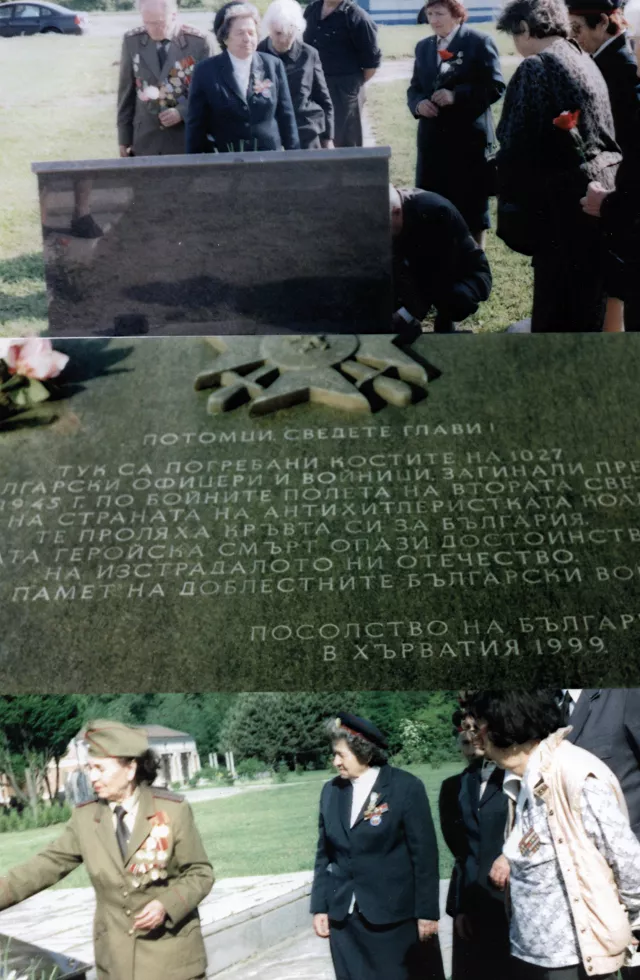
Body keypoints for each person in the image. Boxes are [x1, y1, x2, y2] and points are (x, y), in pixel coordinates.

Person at [0, 720, 214, 980]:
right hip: (116, 961)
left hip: (172, 959)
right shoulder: (86, 818)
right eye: (90, 768)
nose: (92, 777)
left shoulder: (171, 810)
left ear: (130, 768)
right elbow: (44, 866)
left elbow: (200, 873)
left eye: (100, 768)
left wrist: (166, 905)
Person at [471, 691, 640, 980]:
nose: (473, 736)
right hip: (535, 955)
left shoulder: (573, 774)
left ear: (505, 724)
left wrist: (633, 922)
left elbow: (627, 860)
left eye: (479, 726)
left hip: (575, 959)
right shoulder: (526, 778)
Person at [495, 0, 621, 332]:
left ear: (523, 28)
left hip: (561, 214)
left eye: (514, 35)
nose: (517, 45)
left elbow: (515, 143)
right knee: (586, 311)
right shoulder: (583, 57)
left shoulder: (536, 66)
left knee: (558, 318)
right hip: (597, 197)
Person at [311, 712, 445, 980]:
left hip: (393, 920)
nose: (335, 761)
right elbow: (324, 854)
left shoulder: (404, 787)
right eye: (333, 754)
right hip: (345, 922)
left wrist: (427, 913)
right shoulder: (331, 791)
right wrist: (320, 907)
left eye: (341, 754)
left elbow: (425, 855)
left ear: (364, 753)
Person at [407, 0, 505, 247]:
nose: (434, 19)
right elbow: (415, 87)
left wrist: (457, 95)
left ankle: (475, 263)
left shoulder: (479, 42)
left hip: (467, 143)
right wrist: (418, 105)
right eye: (429, 14)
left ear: (458, 16)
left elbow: (495, 86)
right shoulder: (423, 48)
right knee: (433, 207)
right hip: (432, 144)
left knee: (471, 210)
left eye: (439, 13)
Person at [439, 709, 512, 980]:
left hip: (509, 901)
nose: (470, 733)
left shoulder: (513, 776)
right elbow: (461, 853)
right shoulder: (455, 787)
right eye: (464, 727)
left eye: (476, 725)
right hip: (474, 904)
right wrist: (460, 907)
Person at [186, 2, 300, 153]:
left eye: (251, 33)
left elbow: (286, 117)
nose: (247, 39)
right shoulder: (205, 71)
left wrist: (294, 157)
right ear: (225, 38)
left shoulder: (273, 65)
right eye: (240, 33)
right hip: (226, 158)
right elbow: (196, 124)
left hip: (269, 158)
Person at [117, 0, 216, 157]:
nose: (152, 29)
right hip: (146, 140)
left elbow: (210, 93)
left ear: (174, 16)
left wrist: (182, 112)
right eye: (147, 22)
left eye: (158, 23)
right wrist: (124, 136)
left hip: (185, 138)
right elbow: (126, 92)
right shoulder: (132, 41)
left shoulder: (199, 43)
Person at [390, 184, 492, 333]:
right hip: (426, 267)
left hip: (462, 274)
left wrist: (405, 314)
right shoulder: (393, 208)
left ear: (397, 212)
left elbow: (433, 277)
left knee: (454, 299)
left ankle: (445, 322)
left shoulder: (434, 214)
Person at [303, 0, 381, 147]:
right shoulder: (312, 10)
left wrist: (350, 87)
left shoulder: (357, 18)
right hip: (313, 90)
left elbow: (371, 65)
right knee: (315, 142)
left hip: (344, 94)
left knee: (345, 145)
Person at [258, 0, 335, 149]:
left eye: (289, 34)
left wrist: (328, 138)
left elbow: (323, 99)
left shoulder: (309, 54)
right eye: (278, 33)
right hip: (270, 134)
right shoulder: (257, 54)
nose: (283, 40)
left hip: (305, 131)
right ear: (269, 28)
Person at [568, 0, 640, 153]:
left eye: (576, 27)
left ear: (603, 22)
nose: (572, 36)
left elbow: (628, 136)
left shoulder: (624, 66)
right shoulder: (608, 57)